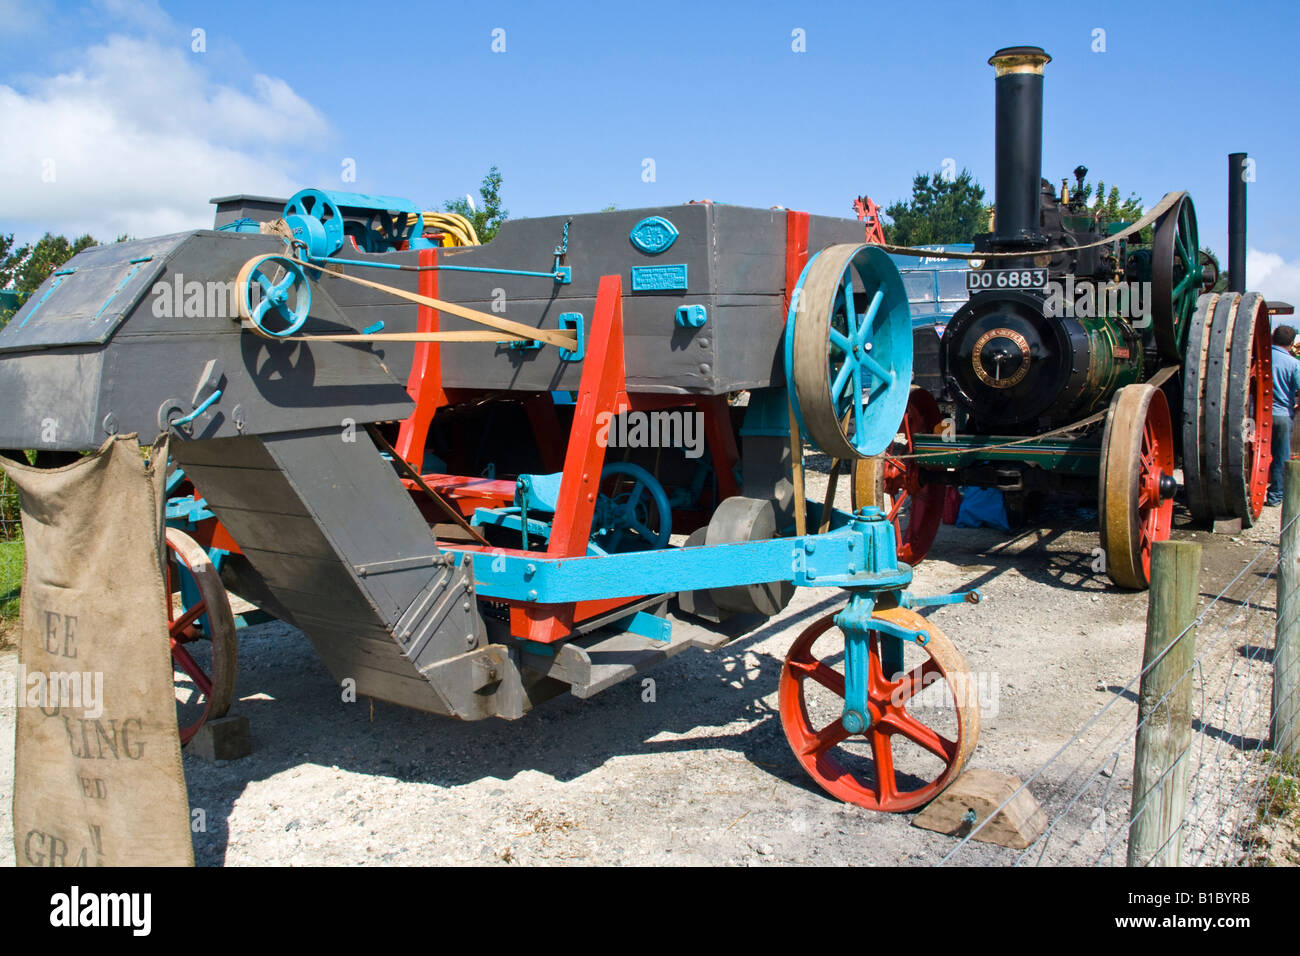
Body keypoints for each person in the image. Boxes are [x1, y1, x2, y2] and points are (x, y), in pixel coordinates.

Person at [1267, 325, 1300, 505]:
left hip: (1253, 416)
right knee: (1281, 456)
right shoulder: (1294, 364)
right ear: (1292, 342)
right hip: (1281, 414)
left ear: (1273, 337)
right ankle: (1275, 496)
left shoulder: (1260, 357)